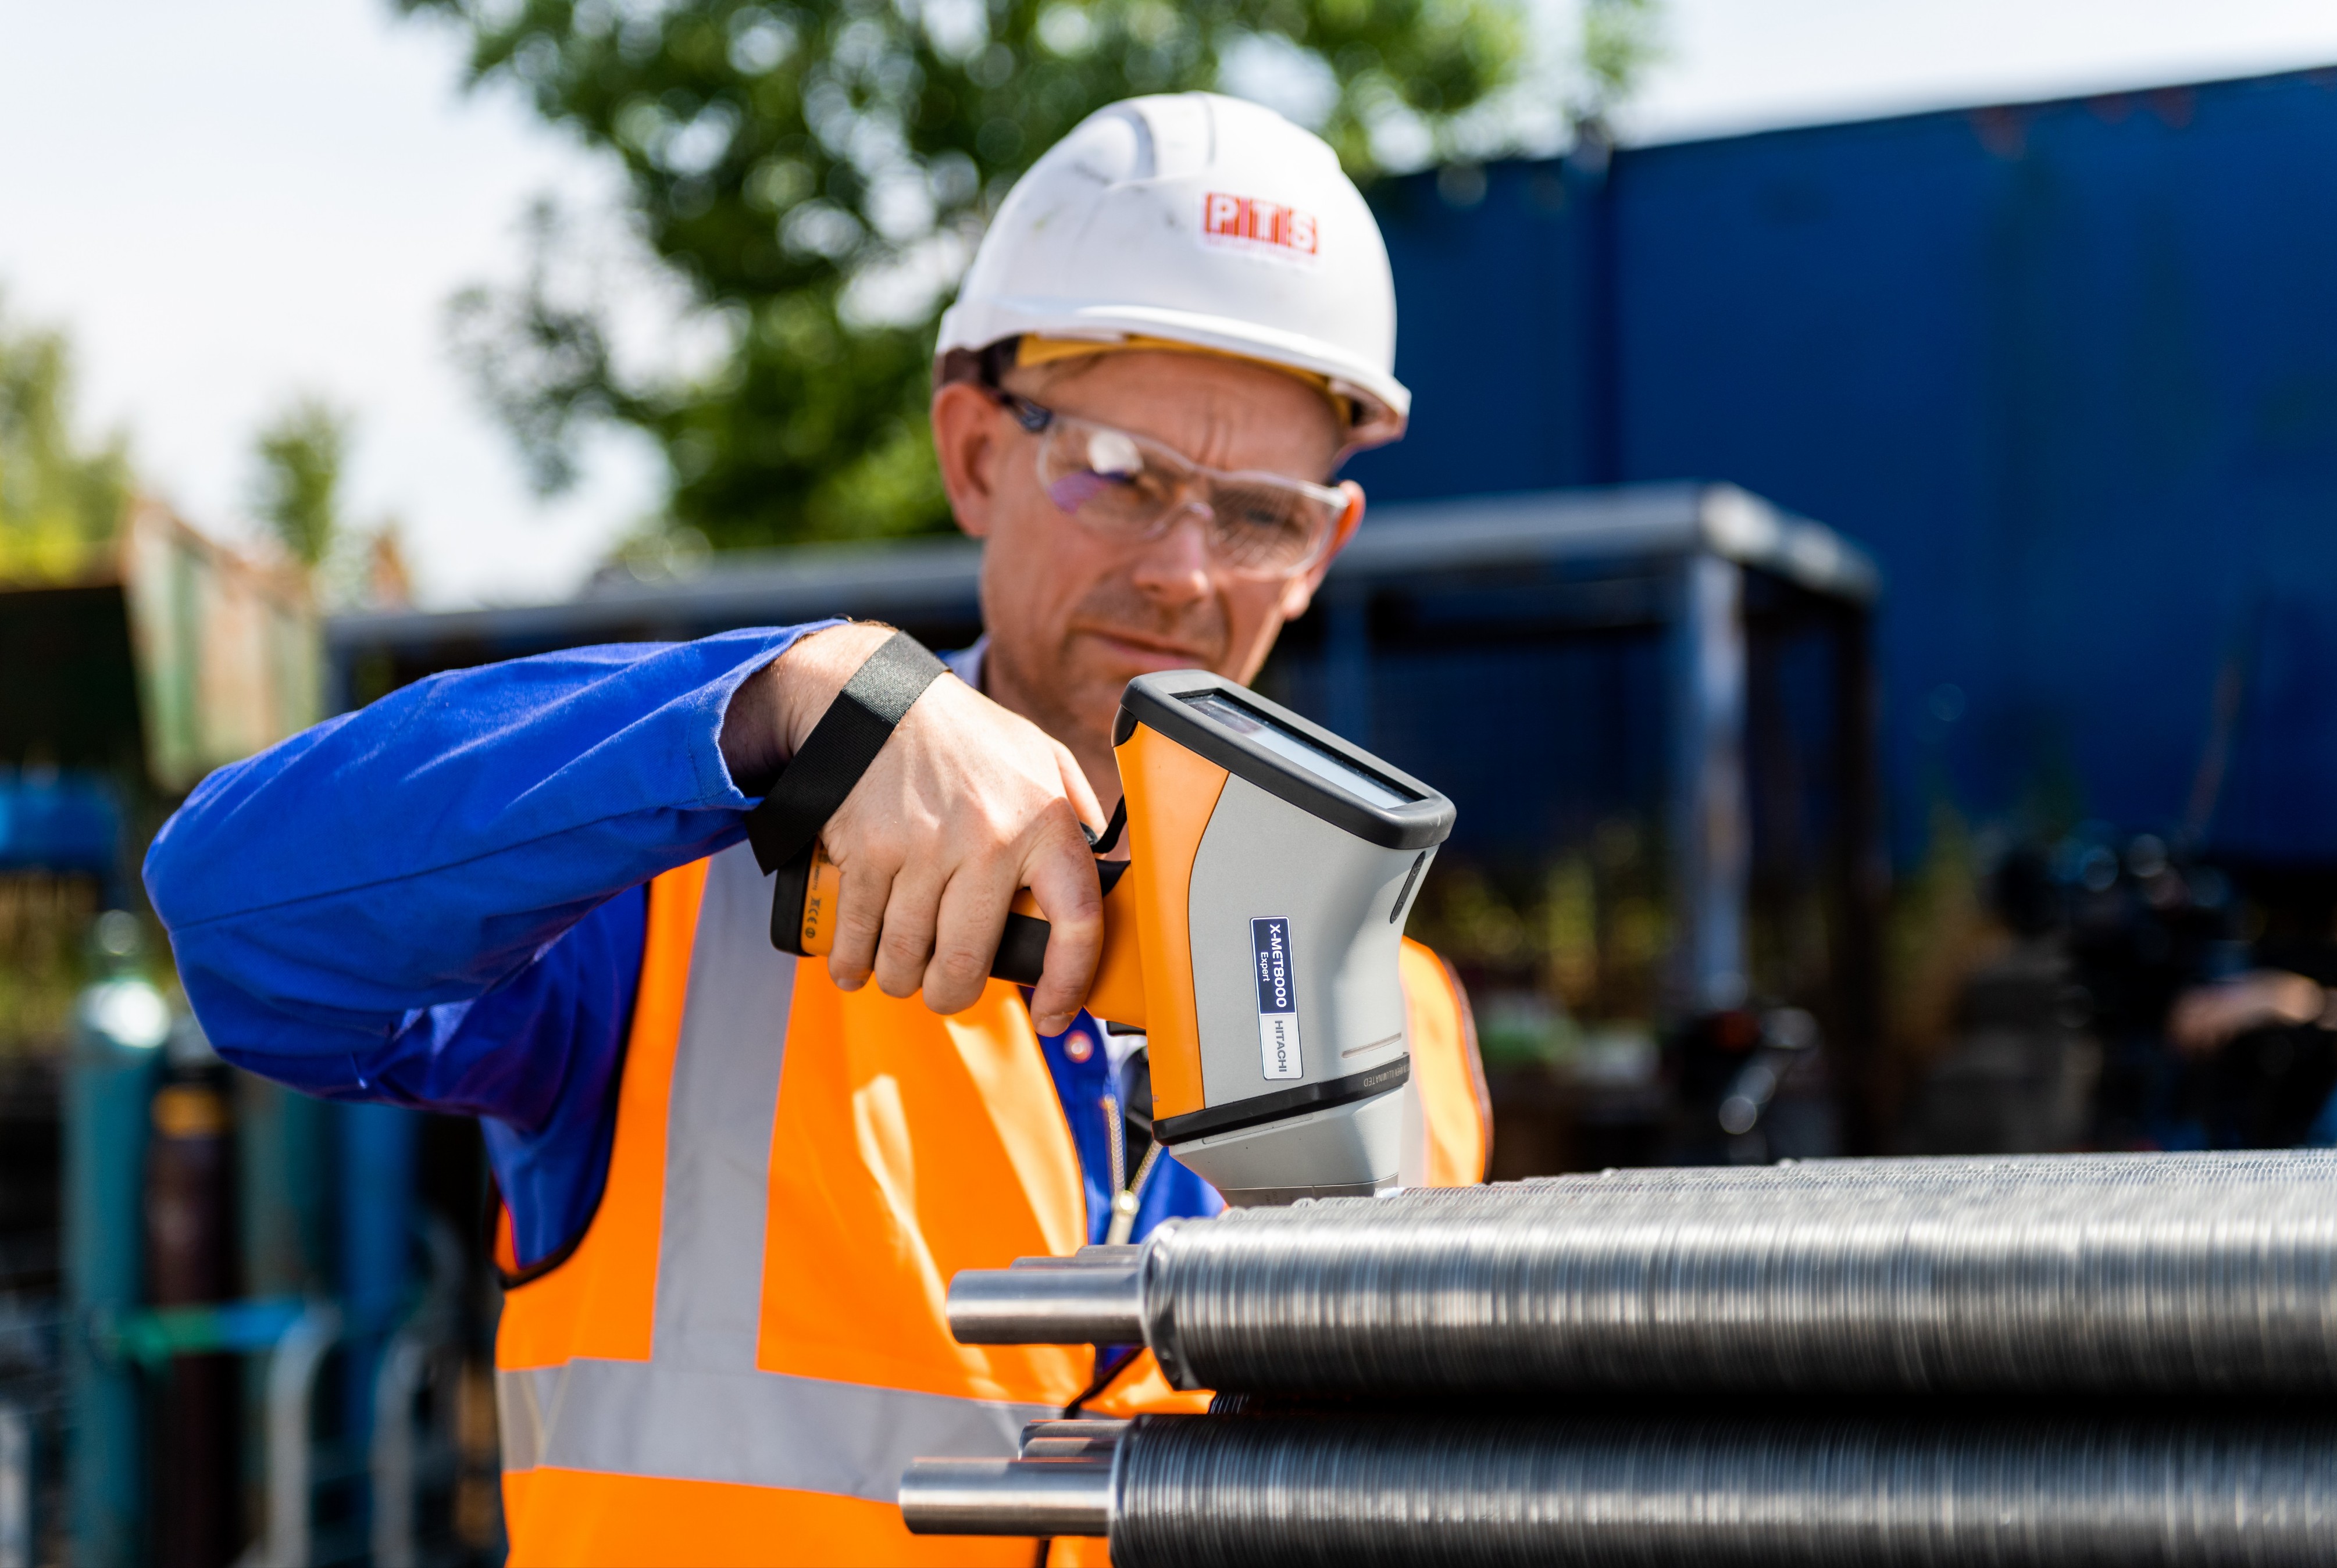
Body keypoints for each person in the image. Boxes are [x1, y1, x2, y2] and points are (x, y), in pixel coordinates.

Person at [146, 92, 1489, 1566]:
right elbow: (236, 918)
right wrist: (780, 704)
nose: (1181, 570)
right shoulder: (686, 890)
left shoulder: (1407, 1021)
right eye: (1119, 470)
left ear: (1322, 550)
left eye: (1254, 514)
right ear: (977, 454)